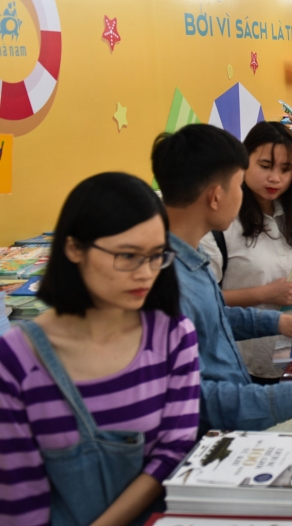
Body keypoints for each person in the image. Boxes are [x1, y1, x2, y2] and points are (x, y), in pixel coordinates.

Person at [0, 173, 200, 526]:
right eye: (128, 255)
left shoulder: (172, 336)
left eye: (156, 256)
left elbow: (173, 449)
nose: (145, 273)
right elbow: (20, 497)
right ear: (74, 248)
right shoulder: (16, 358)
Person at [153, 125, 292, 434]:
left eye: (285, 169)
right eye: (238, 184)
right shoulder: (167, 279)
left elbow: (214, 314)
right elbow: (189, 395)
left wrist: (276, 322)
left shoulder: (190, 258)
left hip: (242, 390)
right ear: (216, 196)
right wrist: (288, 399)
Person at [198, 122, 292, 380]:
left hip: (286, 353)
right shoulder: (222, 225)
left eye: (285, 169)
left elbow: (280, 275)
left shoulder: (287, 214)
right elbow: (200, 303)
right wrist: (264, 293)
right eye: (266, 166)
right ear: (244, 162)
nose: (275, 178)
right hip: (239, 363)